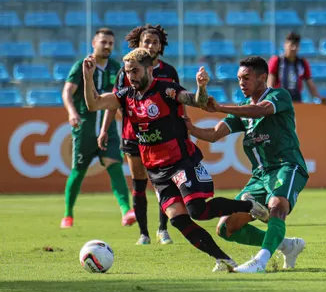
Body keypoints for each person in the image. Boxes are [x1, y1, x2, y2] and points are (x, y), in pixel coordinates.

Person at [84, 48, 270, 271]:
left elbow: (197, 101)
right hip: (156, 170)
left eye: (135, 71)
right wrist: (88, 77)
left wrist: (201, 87)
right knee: (178, 220)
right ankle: (224, 259)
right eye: (127, 72)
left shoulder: (166, 89)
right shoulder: (125, 96)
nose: (130, 76)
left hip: (181, 161)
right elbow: (93, 104)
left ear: (149, 70)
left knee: (196, 211)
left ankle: (249, 205)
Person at [185, 56, 308, 273]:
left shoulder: (280, 95)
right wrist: (190, 129)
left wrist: (221, 107)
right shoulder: (241, 110)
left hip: (286, 166)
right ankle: (286, 245)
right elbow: (214, 135)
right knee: (226, 229)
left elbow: (260, 110)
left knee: (277, 205)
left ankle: (260, 262)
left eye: (246, 78)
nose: (241, 82)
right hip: (260, 175)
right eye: (239, 78)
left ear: (263, 77)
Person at [100, 24, 180, 245]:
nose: (150, 45)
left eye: (155, 42)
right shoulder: (126, 71)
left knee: (163, 183)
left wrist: (185, 127)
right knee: (139, 182)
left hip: (162, 138)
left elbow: (178, 104)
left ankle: (163, 229)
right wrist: (104, 129)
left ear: (161, 45)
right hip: (133, 135)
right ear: (138, 44)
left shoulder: (169, 72)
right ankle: (143, 234)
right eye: (146, 41)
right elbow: (112, 102)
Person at [60, 28, 136, 229]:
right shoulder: (82, 66)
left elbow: (121, 98)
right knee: (79, 170)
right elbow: (67, 91)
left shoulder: (116, 68)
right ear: (94, 43)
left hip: (108, 128)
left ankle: (126, 210)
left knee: (114, 164)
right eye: (104, 42)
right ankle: (68, 214)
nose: (107, 46)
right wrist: (72, 112)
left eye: (111, 43)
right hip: (84, 128)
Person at [267, 31, 326, 104]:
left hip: (296, 101)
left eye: (296, 45)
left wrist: (319, 97)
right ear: (285, 45)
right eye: (291, 45)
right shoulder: (277, 61)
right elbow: (270, 83)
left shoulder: (302, 63)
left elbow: (310, 83)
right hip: (279, 101)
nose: (294, 48)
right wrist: (270, 97)